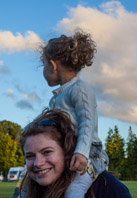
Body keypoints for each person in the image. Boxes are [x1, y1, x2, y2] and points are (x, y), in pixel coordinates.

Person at [40, 31, 109, 197]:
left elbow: (87, 123)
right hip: (67, 155)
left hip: (89, 157)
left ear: (52, 65)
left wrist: (81, 153)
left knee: (74, 190)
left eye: (43, 64)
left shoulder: (79, 90)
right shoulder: (57, 98)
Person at [19, 109, 132, 198]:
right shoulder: (27, 191)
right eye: (30, 156)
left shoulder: (106, 188)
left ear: (67, 151)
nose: (37, 163)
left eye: (47, 152)